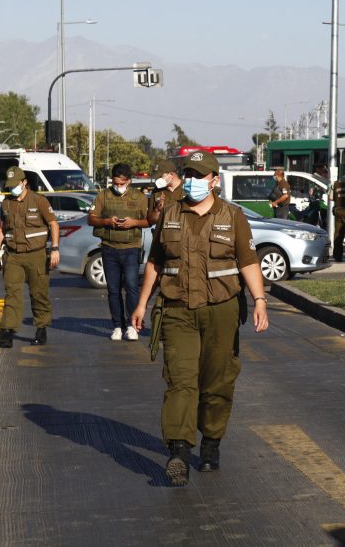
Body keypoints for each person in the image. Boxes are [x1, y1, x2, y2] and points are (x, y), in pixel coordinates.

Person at [129, 152, 269, 486]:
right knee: (181, 380)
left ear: (214, 181)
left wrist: (259, 300)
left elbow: (249, 261)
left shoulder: (232, 216)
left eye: (199, 174)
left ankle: (211, 442)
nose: (191, 180)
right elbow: (156, 261)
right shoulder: (171, 214)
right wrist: (141, 303)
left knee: (217, 381)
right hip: (177, 309)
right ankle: (178, 450)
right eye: (188, 173)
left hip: (222, 309)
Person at [0, 166, 60, 348]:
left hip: (36, 255)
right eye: (10, 185)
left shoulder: (39, 201)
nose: (12, 188)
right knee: (12, 294)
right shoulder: (6, 203)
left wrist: (55, 248)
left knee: (39, 294)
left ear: (24, 183)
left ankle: (41, 328)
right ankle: (7, 333)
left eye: (15, 185)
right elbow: (2, 228)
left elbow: (53, 224)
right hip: (13, 255)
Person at [88, 163, 148, 341]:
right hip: (109, 248)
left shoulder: (140, 197)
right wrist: (108, 221)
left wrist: (133, 223)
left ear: (129, 181)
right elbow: (91, 219)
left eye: (122, 183)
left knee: (131, 287)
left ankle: (132, 325)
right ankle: (117, 326)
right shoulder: (103, 196)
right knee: (113, 290)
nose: (118, 186)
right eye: (116, 183)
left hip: (131, 248)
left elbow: (149, 220)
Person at [145, 159, 184, 229]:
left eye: (160, 176)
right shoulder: (156, 191)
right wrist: (157, 210)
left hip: (184, 236)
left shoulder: (188, 188)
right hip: (162, 237)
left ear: (171, 174)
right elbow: (151, 220)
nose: (158, 179)